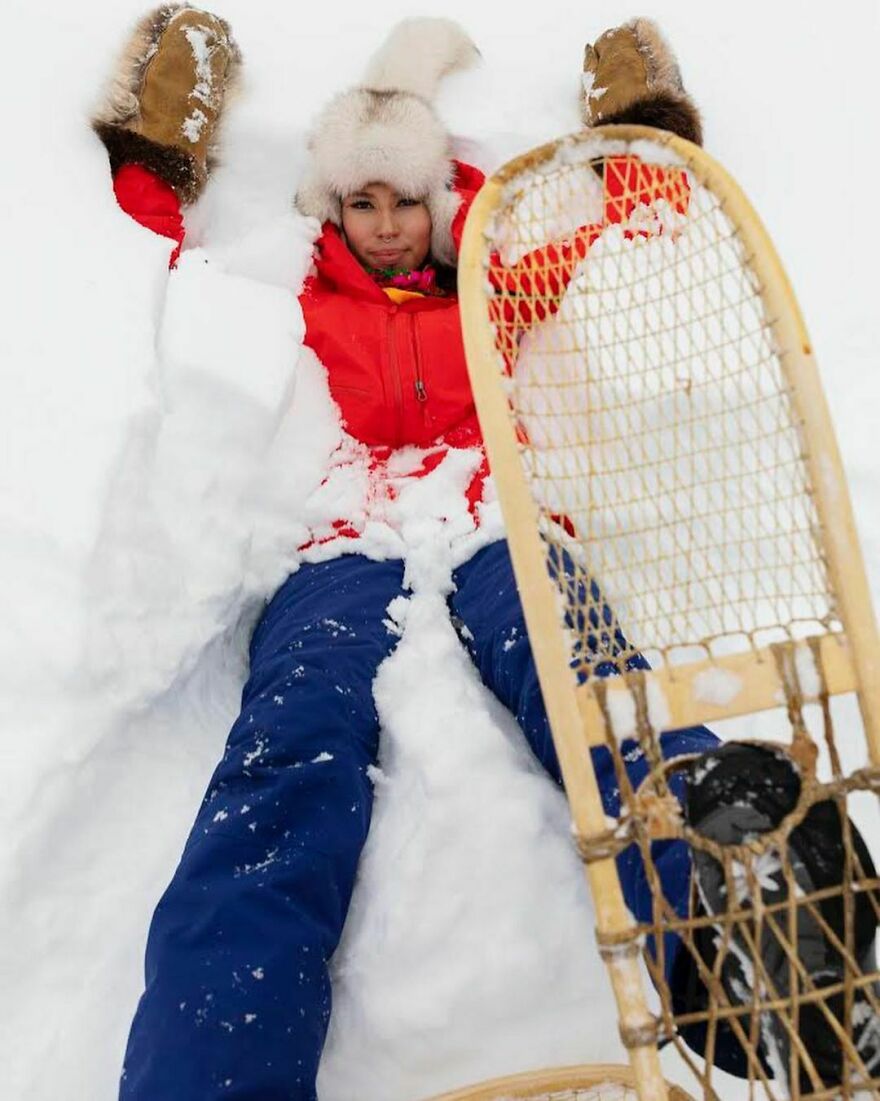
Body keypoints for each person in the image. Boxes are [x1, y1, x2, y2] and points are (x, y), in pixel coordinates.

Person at [92, 7, 879, 1099]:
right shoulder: (299, 294)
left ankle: (736, 923)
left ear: (439, 198)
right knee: (288, 755)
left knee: (589, 685)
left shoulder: (492, 289)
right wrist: (153, 151)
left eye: (401, 200)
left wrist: (640, 125)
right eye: (358, 203)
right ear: (330, 209)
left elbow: (630, 234)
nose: (382, 226)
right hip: (341, 543)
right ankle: (212, 1066)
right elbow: (156, 262)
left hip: (490, 522)